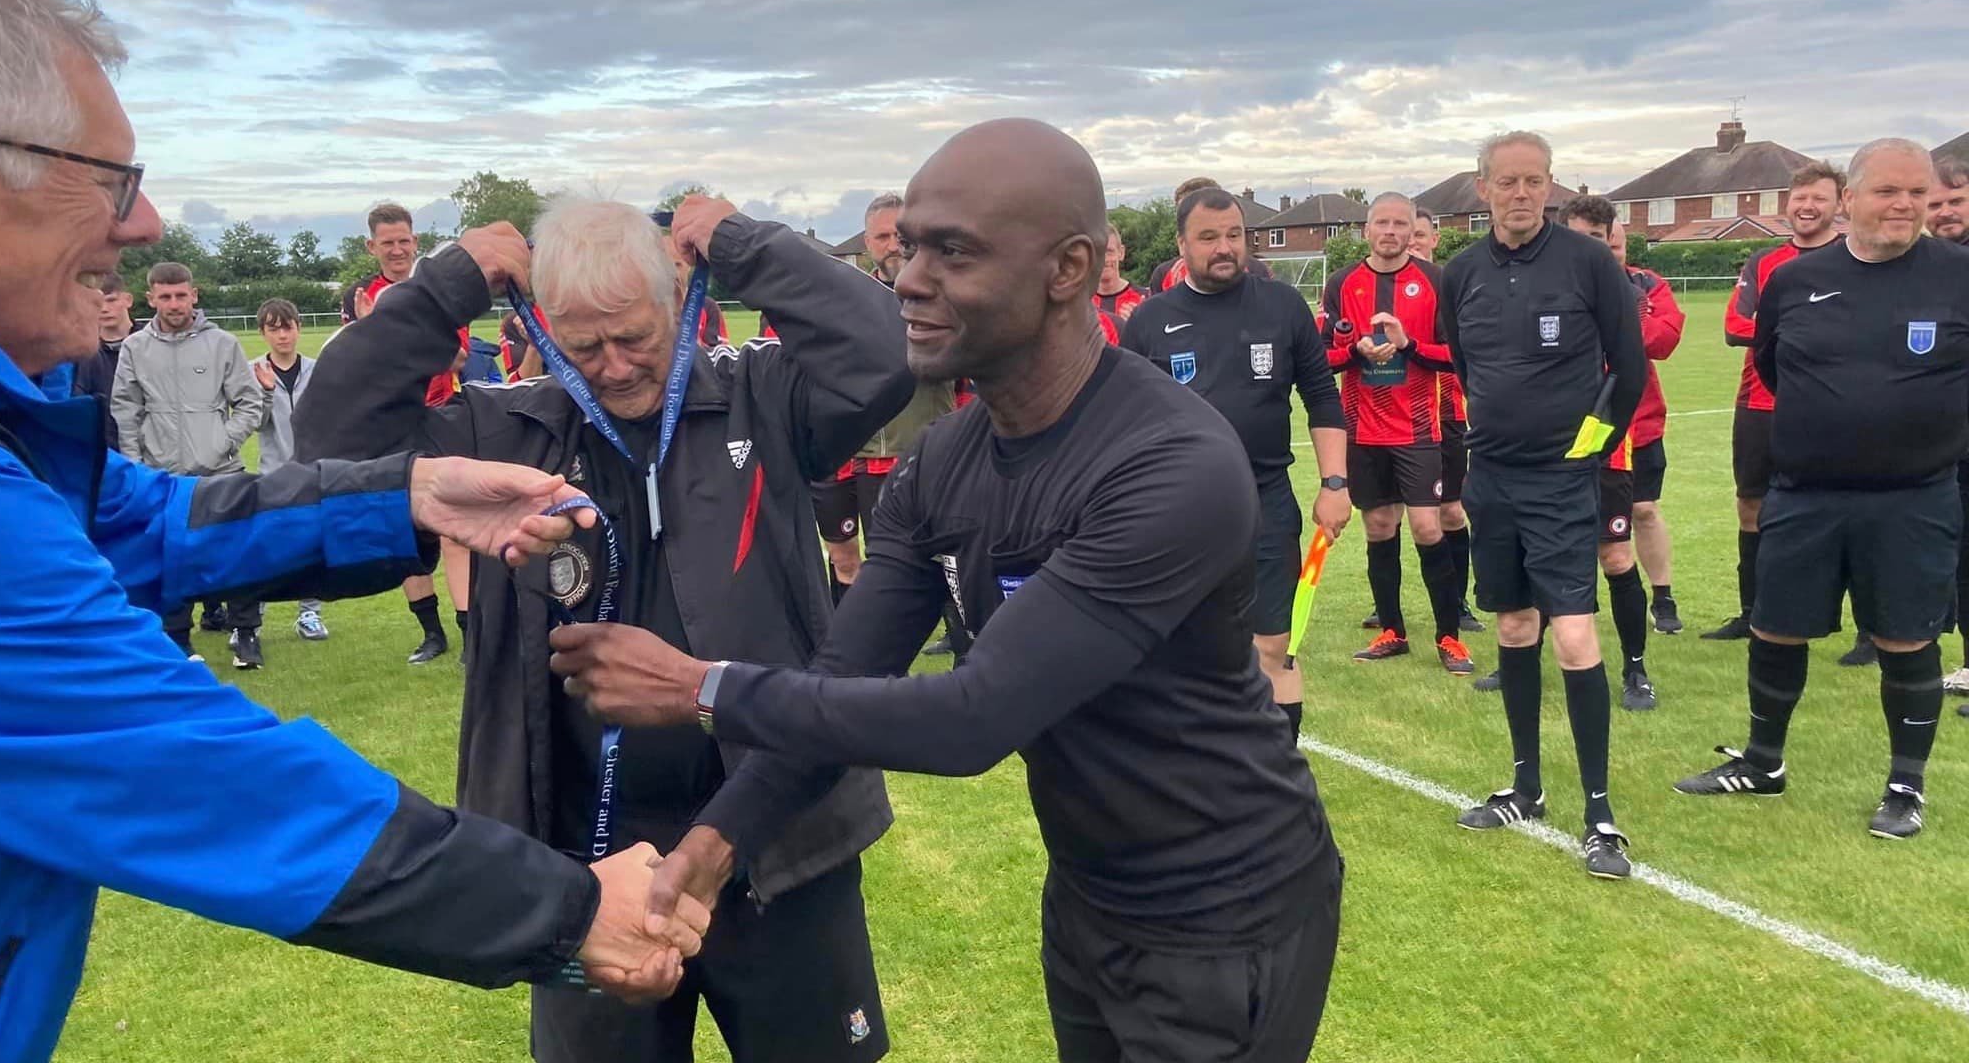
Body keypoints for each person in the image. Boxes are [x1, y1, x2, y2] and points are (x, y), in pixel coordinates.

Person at [0, 0, 709, 1061]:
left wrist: (413, 494)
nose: (141, 229)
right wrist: (573, 913)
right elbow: (202, 780)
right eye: (111, 181)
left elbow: (143, 524)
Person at [553, 118, 1344, 1063]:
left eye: (953, 252)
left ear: (1069, 269)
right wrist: (710, 851)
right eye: (911, 246)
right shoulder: (946, 460)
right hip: (1090, 899)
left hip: (1228, 912)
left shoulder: (1170, 463)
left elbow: (972, 720)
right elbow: (844, 677)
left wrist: (700, 686)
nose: (910, 278)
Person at [298, 192, 913, 1063]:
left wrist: (742, 243)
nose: (615, 368)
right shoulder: (506, 430)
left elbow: (888, 351)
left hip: (777, 849)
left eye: (636, 338)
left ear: (675, 302)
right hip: (583, 869)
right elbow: (326, 443)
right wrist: (445, 288)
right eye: (584, 346)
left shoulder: (761, 399)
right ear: (544, 326)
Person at [1675, 139, 1966, 837]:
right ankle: (1764, 763)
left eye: (1917, 195)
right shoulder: (1796, 281)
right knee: (1776, 626)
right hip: (1804, 491)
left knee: (1903, 637)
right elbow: (1775, 368)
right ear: (1851, 200)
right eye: (1888, 193)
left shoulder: (1958, 274)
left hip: (1913, 496)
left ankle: (1905, 785)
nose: (1904, 206)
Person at [1440, 131, 1646, 879]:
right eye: (1508, 181)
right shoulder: (1459, 273)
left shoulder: (1590, 262)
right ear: (1483, 186)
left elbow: (1628, 368)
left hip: (1562, 481)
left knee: (1573, 638)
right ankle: (1525, 787)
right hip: (1490, 475)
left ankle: (1599, 813)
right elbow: (1467, 365)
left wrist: (1588, 446)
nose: (1521, 193)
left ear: (1551, 186)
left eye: (1535, 181)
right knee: (1515, 624)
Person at [1123, 185, 1351, 740]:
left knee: (1273, 646)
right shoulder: (1150, 321)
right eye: (1208, 238)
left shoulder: (1282, 306)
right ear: (1181, 244)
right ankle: (1198, 772)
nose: (1224, 248)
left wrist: (1335, 483)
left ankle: (1279, 776)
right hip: (1180, 508)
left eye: (1234, 236)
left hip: (1266, 498)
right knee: (1184, 646)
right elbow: (1122, 421)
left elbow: (1322, 395)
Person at [1321, 192, 1470, 676]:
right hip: (1361, 428)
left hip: (1419, 427)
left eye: (1399, 224)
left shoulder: (1436, 280)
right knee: (1379, 527)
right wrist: (1356, 353)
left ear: (1413, 231)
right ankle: (1392, 631)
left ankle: (1449, 636)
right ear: (1366, 230)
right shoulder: (1342, 283)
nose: (1389, 231)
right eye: (1380, 222)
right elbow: (1322, 358)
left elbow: (1457, 356)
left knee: (1429, 528)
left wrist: (1409, 345)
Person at [1703, 162, 1846, 644]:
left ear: (1840, 203)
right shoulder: (1763, 262)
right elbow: (1735, 327)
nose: (1808, 206)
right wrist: (1810, 335)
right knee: (1751, 506)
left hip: (1832, 408)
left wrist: (1784, 329)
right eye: (1800, 197)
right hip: (1760, 404)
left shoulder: (1852, 258)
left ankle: (1861, 627)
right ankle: (1752, 612)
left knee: (1840, 510)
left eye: (1819, 198)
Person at [1557, 195, 1681, 712]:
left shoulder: (1636, 288)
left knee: (1614, 552)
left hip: (1610, 440)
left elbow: (1660, 339)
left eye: (1597, 239)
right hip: (1548, 443)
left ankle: (1635, 669)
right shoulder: (1544, 285)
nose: (1587, 249)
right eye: (1575, 238)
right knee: (1547, 554)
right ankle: (1519, 654)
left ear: (1612, 239)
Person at [111, 260, 268, 665]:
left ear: (194, 295)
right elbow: (126, 410)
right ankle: (178, 641)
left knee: (237, 552)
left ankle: (246, 633)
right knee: (168, 556)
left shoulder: (223, 343)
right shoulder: (135, 348)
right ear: (151, 299)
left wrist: (222, 441)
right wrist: (136, 464)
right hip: (162, 475)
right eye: (165, 296)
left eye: (181, 295)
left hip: (220, 471)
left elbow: (250, 404)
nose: (175, 303)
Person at [340, 201, 468, 664]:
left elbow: (455, 359)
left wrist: (387, 337)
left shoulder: (437, 292)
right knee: (404, 529)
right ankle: (431, 635)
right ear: (371, 246)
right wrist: (373, 331)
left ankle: (469, 634)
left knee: (455, 529)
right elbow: (358, 368)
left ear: (415, 241)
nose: (396, 250)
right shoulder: (363, 297)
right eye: (387, 243)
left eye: (404, 241)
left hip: (440, 414)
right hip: (390, 420)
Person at [815, 192, 958, 606]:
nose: (892, 245)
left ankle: (963, 647)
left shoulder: (945, 294)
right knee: (847, 559)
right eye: (881, 237)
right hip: (849, 454)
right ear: (868, 244)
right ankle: (844, 651)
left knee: (932, 556)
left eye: (899, 236)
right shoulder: (847, 301)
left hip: (919, 449)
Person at [1385, 204, 1486, 638]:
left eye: (1419, 236)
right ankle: (1387, 610)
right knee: (1387, 515)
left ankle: (1457, 601)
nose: (1412, 243)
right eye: (1408, 236)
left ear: (1432, 239)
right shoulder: (1384, 288)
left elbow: (1466, 354)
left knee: (1447, 512)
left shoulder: (1451, 287)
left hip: (1446, 418)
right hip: (1393, 419)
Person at [1610, 220, 1687, 637]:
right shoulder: (1561, 282)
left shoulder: (1646, 283)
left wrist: (1622, 318)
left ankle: (1662, 597)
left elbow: (1664, 340)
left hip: (1638, 420)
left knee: (1644, 509)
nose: (1607, 253)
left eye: (1615, 245)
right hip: (1574, 424)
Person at [251, 298, 330, 642]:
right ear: (263, 333)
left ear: (299, 327)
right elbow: (254, 423)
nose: (282, 335)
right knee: (268, 543)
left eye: (288, 326)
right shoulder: (253, 370)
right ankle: (251, 613)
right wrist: (266, 393)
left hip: (315, 472)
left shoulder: (318, 369)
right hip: (273, 472)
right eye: (274, 328)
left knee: (312, 544)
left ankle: (309, 613)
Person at [1924, 156, 1969, 704]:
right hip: (1944, 436)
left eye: (1955, 201)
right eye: (1935, 204)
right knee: (1956, 553)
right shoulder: (1930, 266)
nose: (1944, 213)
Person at [69, 270, 133, 448]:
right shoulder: (81, 353)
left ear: (128, 300)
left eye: (111, 300)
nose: (104, 308)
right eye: (98, 300)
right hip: (104, 450)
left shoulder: (150, 345)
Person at [1094, 223, 1147, 322]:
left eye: (1109, 252)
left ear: (1121, 253)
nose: (1104, 259)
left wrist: (1139, 325)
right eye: (1098, 252)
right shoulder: (1081, 303)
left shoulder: (1144, 299)